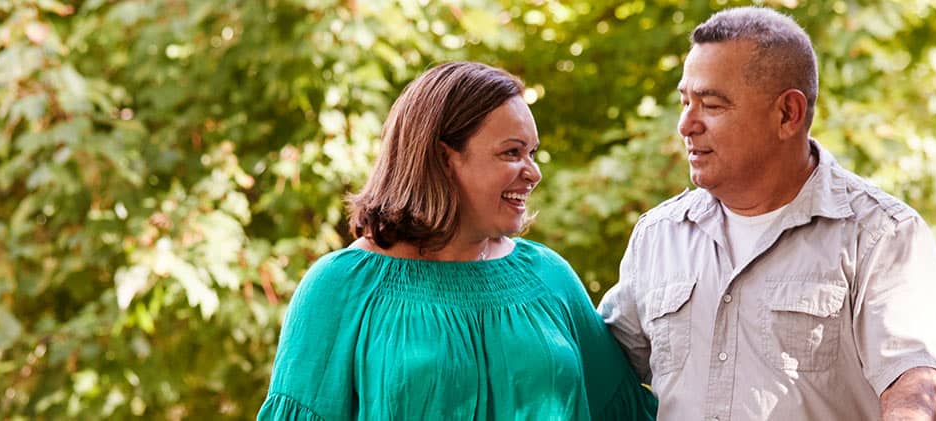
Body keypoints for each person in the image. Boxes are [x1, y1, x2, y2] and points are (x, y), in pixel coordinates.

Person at [598, 7, 936, 420]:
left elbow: (912, 388)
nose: (686, 124)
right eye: (685, 102)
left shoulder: (883, 236)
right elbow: (592, 372)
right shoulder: (658, 236)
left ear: (787, 114)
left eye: (712, 105)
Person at [258, 61, 657, 420]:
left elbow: (621, 412)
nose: (533, 173)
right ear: (444, 159)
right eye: (511, 153)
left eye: (532, 152)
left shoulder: (549, 278)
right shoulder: (341, 288)